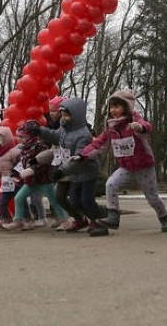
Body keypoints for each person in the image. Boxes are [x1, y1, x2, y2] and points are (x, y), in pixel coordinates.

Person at [76, 90, 167, 235]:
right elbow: (99, 144)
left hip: (144, 166)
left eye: (117, 106)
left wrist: (140, 128)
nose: (113, 110)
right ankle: (113, 216)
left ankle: (164, 217)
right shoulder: (111, 127)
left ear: (126, 107)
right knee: (110, 184)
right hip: (126, 167)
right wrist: (82, 155)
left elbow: (146, 126)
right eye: (111, 107)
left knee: (152, 198)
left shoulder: (134, 120)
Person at [45, 97, 102, 233]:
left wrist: (62, 171)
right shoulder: (63, 128)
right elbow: (54, 138)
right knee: (73, 200)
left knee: (86, 200)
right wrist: (40, 131)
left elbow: (79, 158)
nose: (62, 117)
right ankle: (81, 219)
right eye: (51, 111)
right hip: (70, 170)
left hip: (84, 171)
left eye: (65, 115)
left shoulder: (83, 134)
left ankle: (98, 220)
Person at [4, 120, 68, 231]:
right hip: (31, 181)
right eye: (20, 137)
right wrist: (15, 172)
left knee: (53, 200)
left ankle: (65, 220)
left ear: (31, 136)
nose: (20, 139)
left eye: (23, 137)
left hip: (43, 180)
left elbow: (43, 162)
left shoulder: (41, 146)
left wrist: (27, 172)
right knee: (19, 198)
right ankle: (18, 221)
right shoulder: (24, 148)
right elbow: (22, 163)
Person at [0, 125, 21, 228]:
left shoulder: (14, 152)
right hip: (6, 182)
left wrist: (16, 174)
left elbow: (19, 165)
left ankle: (26, 218)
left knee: (19, 200)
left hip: (16, 180)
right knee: (2, 202)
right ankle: (5, 219)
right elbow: (1, 170)